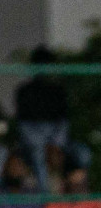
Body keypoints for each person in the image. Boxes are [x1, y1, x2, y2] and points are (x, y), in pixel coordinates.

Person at [14, 46, 69, 192]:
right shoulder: (24, 91)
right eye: (39, 65)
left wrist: (56, 143)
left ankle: (72, 200)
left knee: (82, 155)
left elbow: (63, 121)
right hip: (33, 137)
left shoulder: (58, 91)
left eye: (46, 65)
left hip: (55, 136)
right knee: (38, 153)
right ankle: (46, 196)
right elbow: (23, 125)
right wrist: (43, 144)